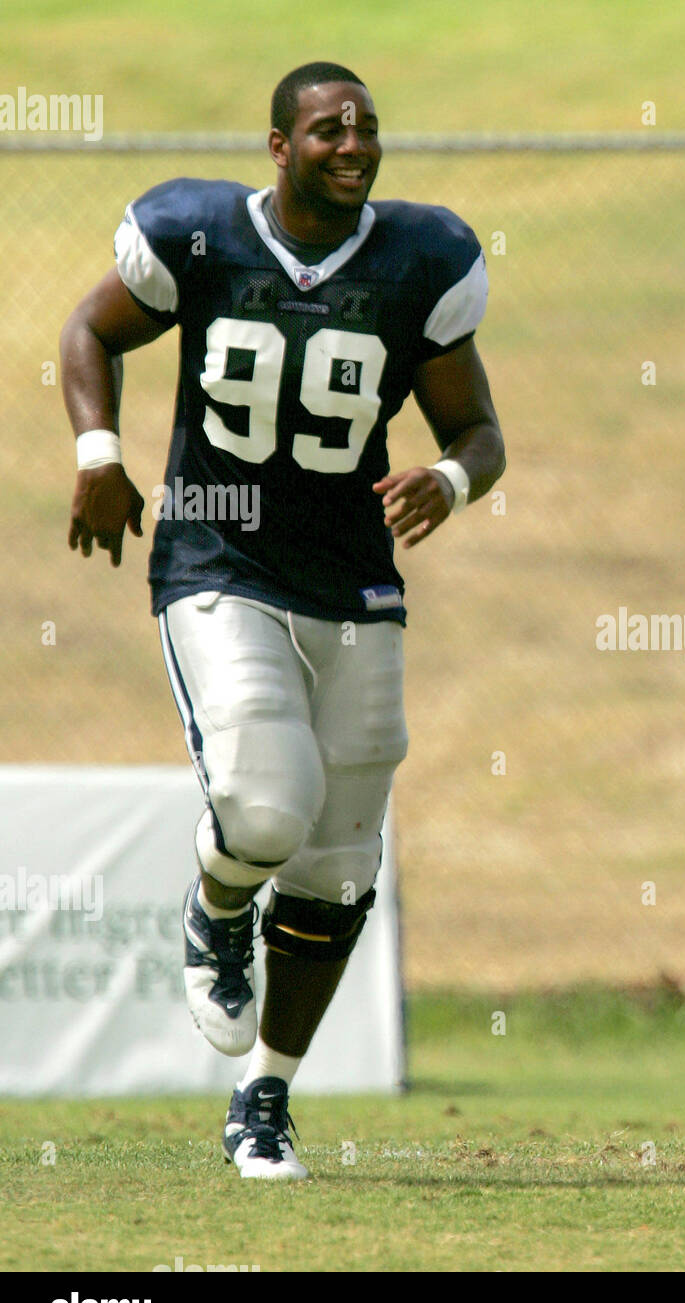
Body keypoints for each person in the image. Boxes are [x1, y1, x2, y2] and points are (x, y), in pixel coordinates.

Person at [61, 61, 505, 1180]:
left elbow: (478, 429)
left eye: (365, 130)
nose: (352, 147)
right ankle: (216, 911)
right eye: (326, 132)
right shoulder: (199, 235)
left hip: (354, 582)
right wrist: (100, 454)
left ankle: (265, 1096)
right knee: (266, 803)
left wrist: (448, 482)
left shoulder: (422, 260)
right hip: (218, 553)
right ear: (277, 146)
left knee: (340, 864)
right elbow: (89, 331)